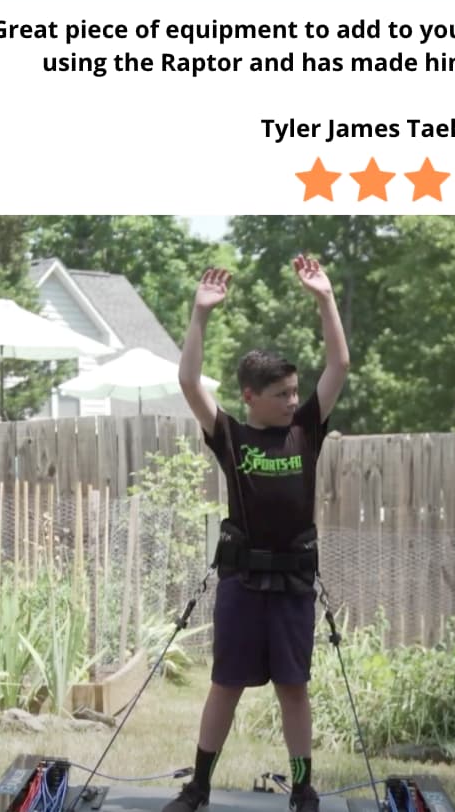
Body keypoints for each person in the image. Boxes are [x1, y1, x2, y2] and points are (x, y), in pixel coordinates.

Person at [166, 256, 350, 812]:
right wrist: (199, 317)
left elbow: (339, 363)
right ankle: (198, 787)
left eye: (296, 391)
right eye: (282, 394)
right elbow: (187, 381)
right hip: (243, 584)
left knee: (293, 687)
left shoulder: (306, 431)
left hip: (293, 585)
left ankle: (303, 787)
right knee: (227, 684)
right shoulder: (232, 436)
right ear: (250, 395)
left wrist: (325, 299)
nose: (294, 400)